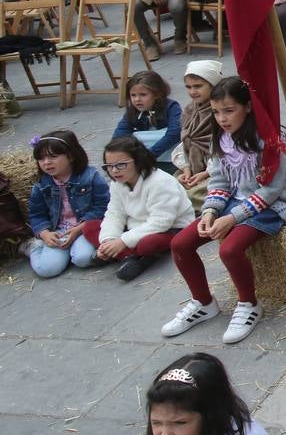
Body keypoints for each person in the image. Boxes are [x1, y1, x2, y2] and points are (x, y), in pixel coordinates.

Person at [163, 77, 286, 344]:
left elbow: (271, 190)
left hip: (270, 205)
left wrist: (232, 218)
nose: (222, 119)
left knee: (229, 249)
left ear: (248, 107)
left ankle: (249, 304)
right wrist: (209, 212)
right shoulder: (222, 140)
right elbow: (219, 182)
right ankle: (204, 302)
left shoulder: (270, 140)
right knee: (180, 243)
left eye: (229, 111)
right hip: (233, 202)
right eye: (216, 112)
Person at [143, 352, 286, 435]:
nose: (166, 434)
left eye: (180, 423)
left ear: (210, 414)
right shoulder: (230, 421)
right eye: (156, 422)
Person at [90, 137, 194, 281]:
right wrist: (108, 240)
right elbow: (114, 213)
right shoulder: (117, 183)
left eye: (121, 165)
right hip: (136, 227)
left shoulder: (160, 182)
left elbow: (161, 222)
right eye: (109, 166)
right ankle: (124, 255)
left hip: (170, 228)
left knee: (148, 244)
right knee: (89, 227)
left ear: (138, 161)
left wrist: (123, 242)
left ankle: (127, 255)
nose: (114, 171)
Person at [26, 131, 109, 278]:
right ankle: (33, 247)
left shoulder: (90, 177)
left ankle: (72, 253)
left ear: (71, 156)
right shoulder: (41, 185)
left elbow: (103, 206)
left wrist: (79, 228)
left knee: (83, 258)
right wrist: (45, 234)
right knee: (48, 269)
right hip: (59, 231)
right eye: (41, 159)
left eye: (53, 157)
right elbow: (36, 214)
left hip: (85, 228)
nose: (46, 162)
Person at [172, 61, 221, 213]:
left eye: (198, 86)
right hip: (192, 168)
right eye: (188, 87)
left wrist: (206, 173)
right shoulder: (189, 110)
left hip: (215, 170)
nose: (192, 91)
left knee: (193, 195)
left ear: (213, 85)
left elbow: (222, 149)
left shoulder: (219, 112)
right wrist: (186, 169)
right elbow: (185, 144)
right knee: (168, 188)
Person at [112, 69, 182, 173]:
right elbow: (120, 133)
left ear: (157, 94)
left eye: (143, 95)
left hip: (168, 157)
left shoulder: (171, 107)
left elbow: (174, 133)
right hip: (143, 158)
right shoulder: (133, 111)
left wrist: (149, 155)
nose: (137, 99)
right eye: (133, 95)